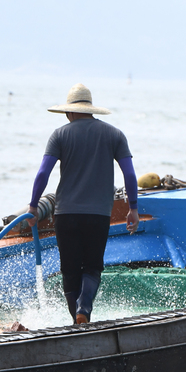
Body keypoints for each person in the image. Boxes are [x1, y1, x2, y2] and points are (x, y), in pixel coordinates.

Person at [27, 83, 139, 325]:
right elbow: (130, 175)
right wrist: (133, 208)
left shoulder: (59, 135)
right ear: (91, 110)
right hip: (98, 215)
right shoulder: (115, 135)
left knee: (69, 271)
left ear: (69, 111)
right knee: (92, 268)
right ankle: (84, 310)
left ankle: (76, 321)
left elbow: (43, 174)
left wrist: (34, 206)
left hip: (65, 214)